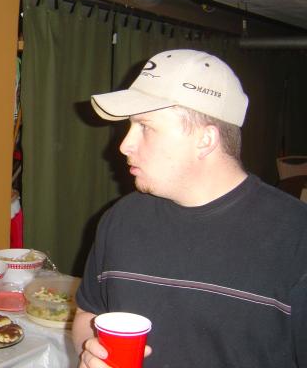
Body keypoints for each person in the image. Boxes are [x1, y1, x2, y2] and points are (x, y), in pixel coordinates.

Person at [73, 49, 307, 368]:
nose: (124, 145)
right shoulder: (120, 219)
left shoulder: (295, 238)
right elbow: (89, 313)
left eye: (145, 126)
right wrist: (92, 352)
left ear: (205, 140)